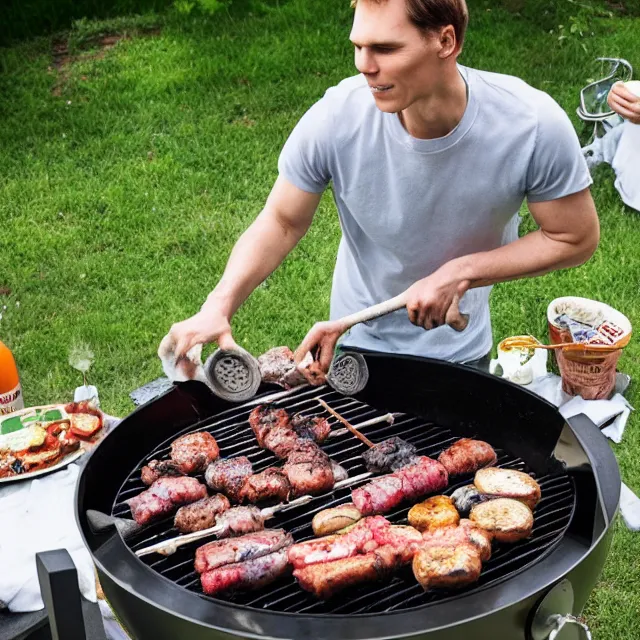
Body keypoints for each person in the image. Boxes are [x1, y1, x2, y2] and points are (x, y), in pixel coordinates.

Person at [163, 0, 599, 377]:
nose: (363, 65)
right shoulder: (337, 117)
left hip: (459, 349)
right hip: (355, 339)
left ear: (446, 41)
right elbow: (281, 220)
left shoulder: (531, 124)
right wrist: (217, 305)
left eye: (385, 49)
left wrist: (460, 272)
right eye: (358, 46)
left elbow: (574, 237)